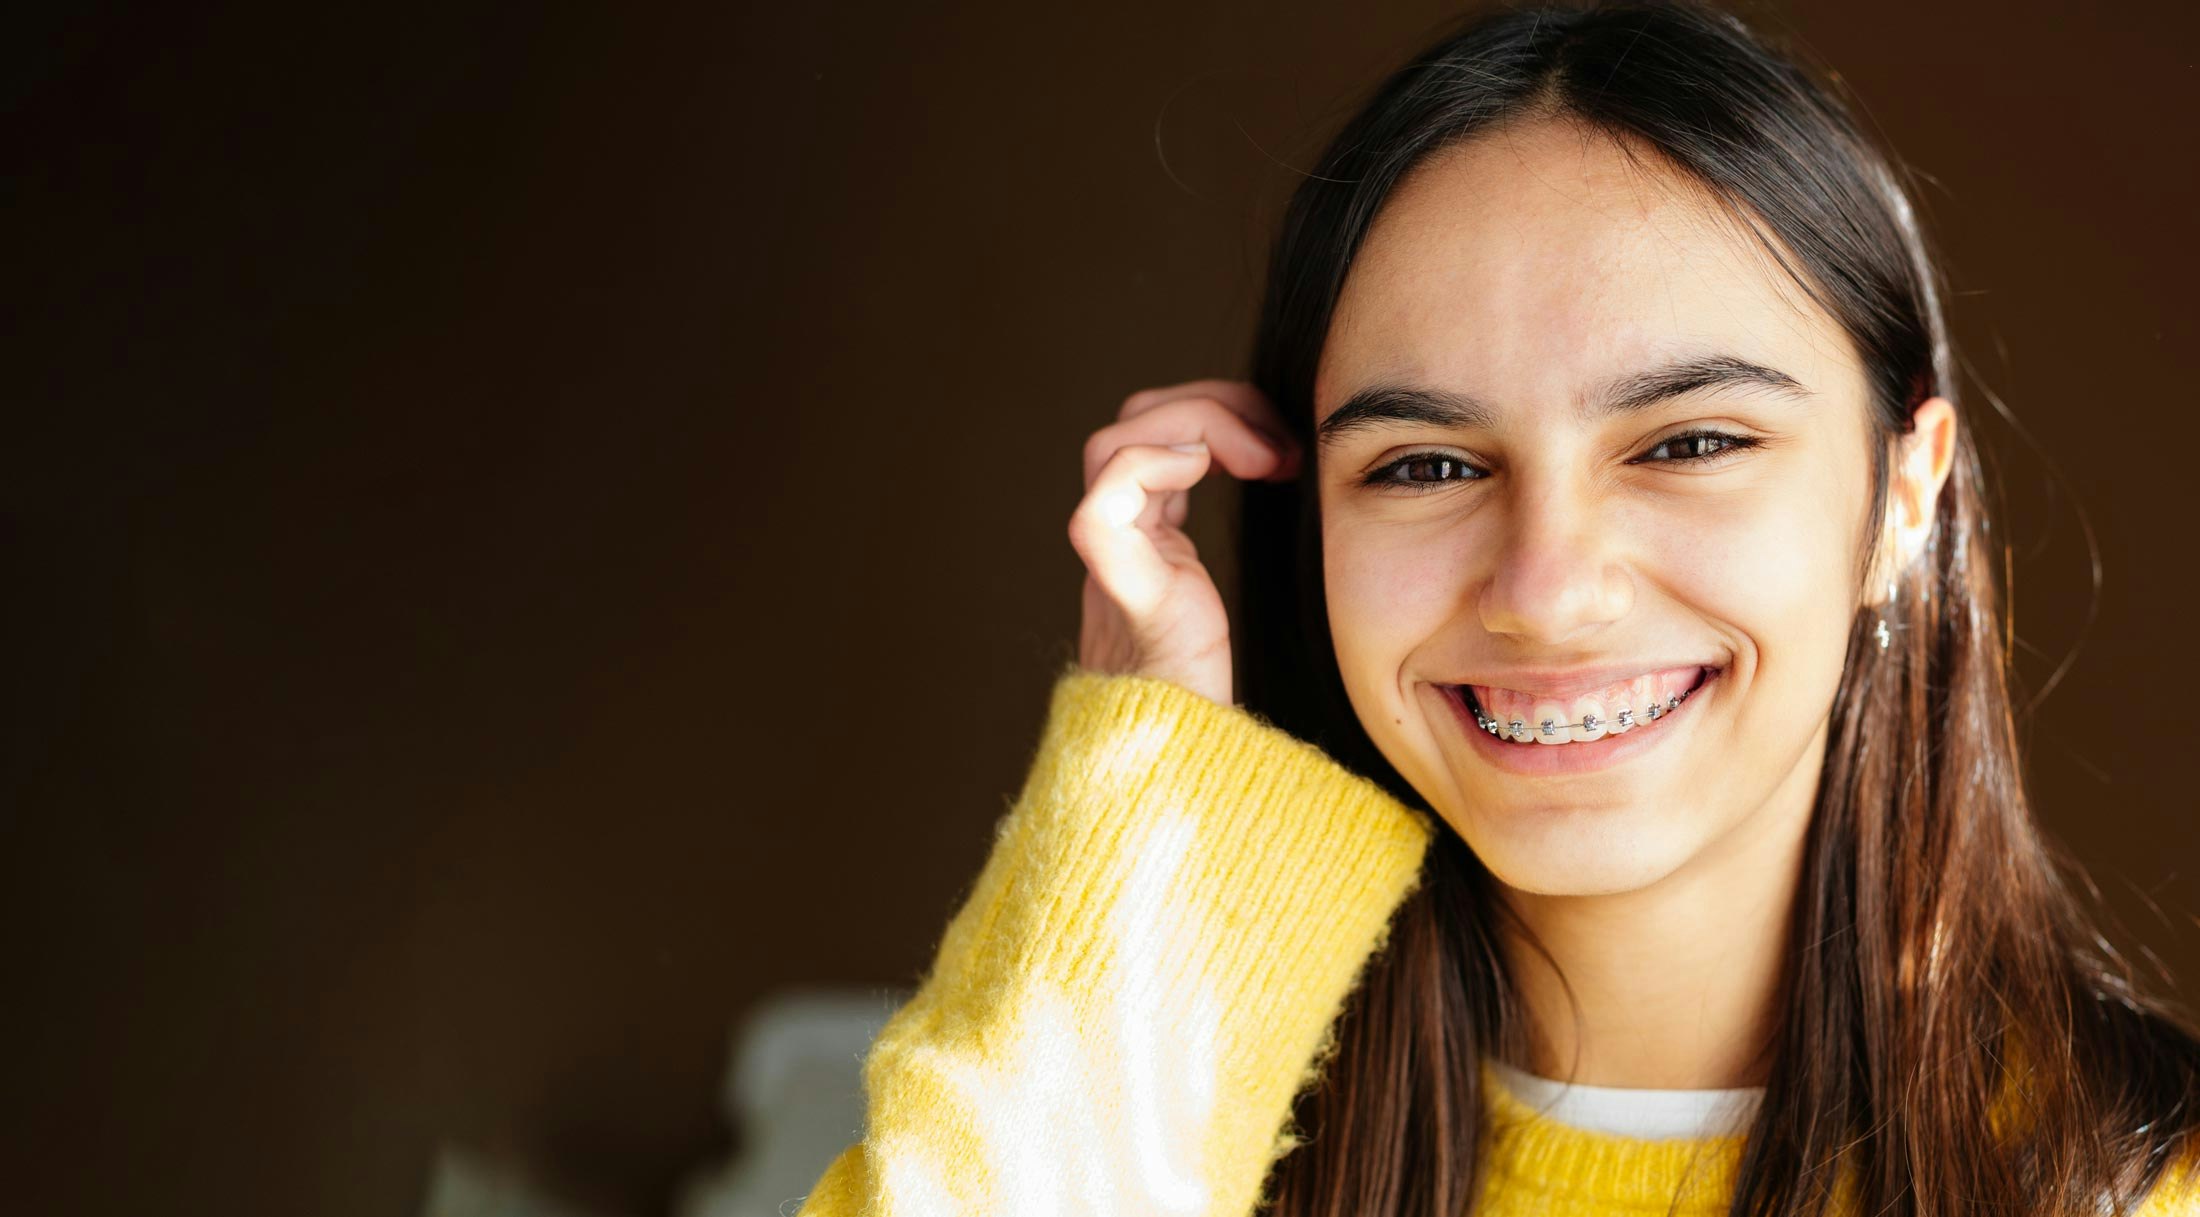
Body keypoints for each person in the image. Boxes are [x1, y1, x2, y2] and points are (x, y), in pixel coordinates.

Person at [794, 2, 2200, 1214]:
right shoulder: (1154, 1149)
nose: (1547, 590)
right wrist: (1142, 788)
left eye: (1688, 442)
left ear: (1907, 494)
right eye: (1426, 465)